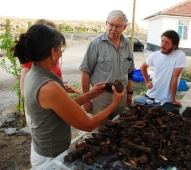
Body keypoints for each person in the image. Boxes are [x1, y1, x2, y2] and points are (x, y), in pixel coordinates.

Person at [11, 24, 125, 169]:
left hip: (42, 150)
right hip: (50, 158)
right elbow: (88, 125)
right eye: (60, 49)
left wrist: (89, 95)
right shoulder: (49, 87)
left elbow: (62, 107)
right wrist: (114, 103)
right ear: (52, 51)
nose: (61, 54)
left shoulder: (33, 74)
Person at [79, 10, 135, 121]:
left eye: (118, 26)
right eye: (111, 25)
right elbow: (85, 71)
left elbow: (129, 71)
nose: (113, 29)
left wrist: (129, 93)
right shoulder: (96, 43)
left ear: (124, 27)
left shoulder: (127, 44)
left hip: (121, 96)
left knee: (119, 130)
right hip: (101, 97)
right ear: (106, 23)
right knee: (100, 133)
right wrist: (86, 99)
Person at [20, 19, 78, 99]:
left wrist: (61, 86)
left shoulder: (52, 59)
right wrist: (51, 89)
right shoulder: (31, 61)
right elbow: (25, 93)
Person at [140, 30, 187, 106]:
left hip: (167, 100)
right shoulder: (155, 55)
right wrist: (147, 81)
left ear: (174, 46)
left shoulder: (180, 55)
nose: (162, 45)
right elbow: (143, 67)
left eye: (167, 43)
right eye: (162, 41)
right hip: (151, 95)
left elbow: (174, 78)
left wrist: (173, 100)